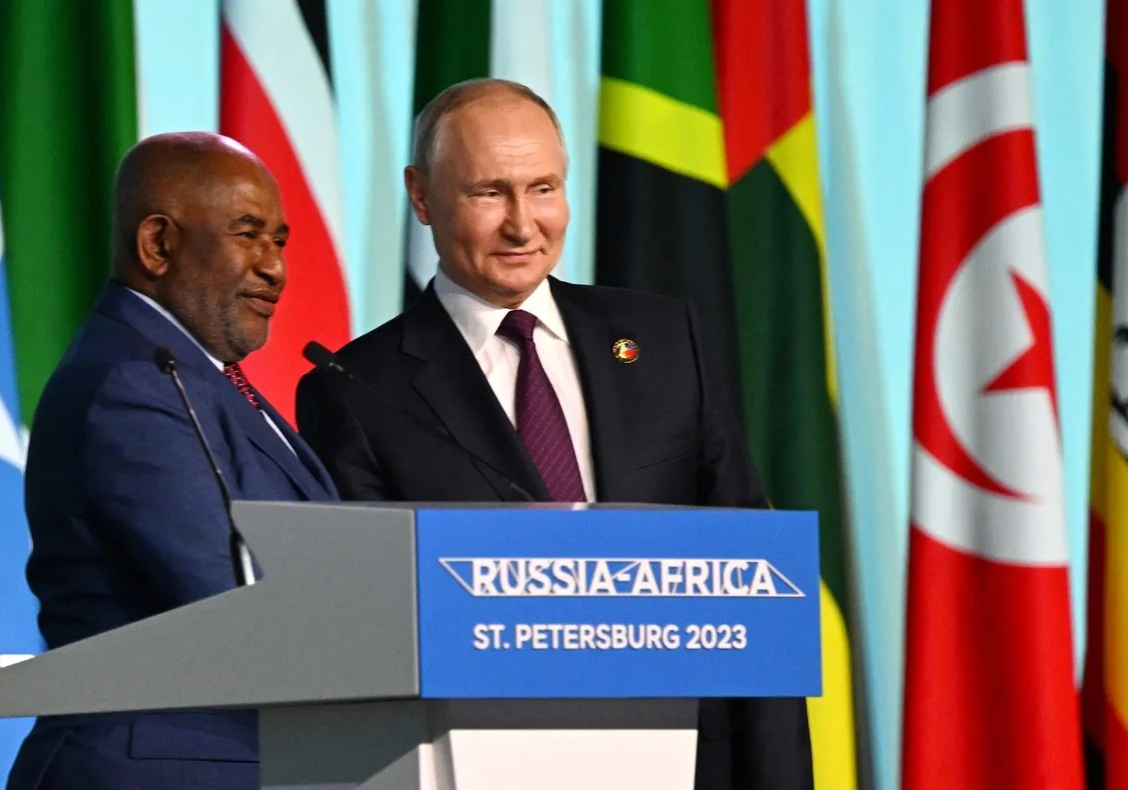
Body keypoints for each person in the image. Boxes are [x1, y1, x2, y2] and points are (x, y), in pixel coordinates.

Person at [294, 79, 813, 789]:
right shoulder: (358, 391)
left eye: (543, 189)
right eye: (489, 193)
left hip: (690, 761)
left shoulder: (663, 339)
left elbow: (754, 587)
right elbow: (371, 636)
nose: (522, 225)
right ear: (421, 196)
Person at [6, 132, 338, 790]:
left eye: (279, 241)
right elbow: (231, 597)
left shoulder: (192, 377)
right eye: (248, 234)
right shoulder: (134, 384)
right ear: (157, 245)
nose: (275, 268)